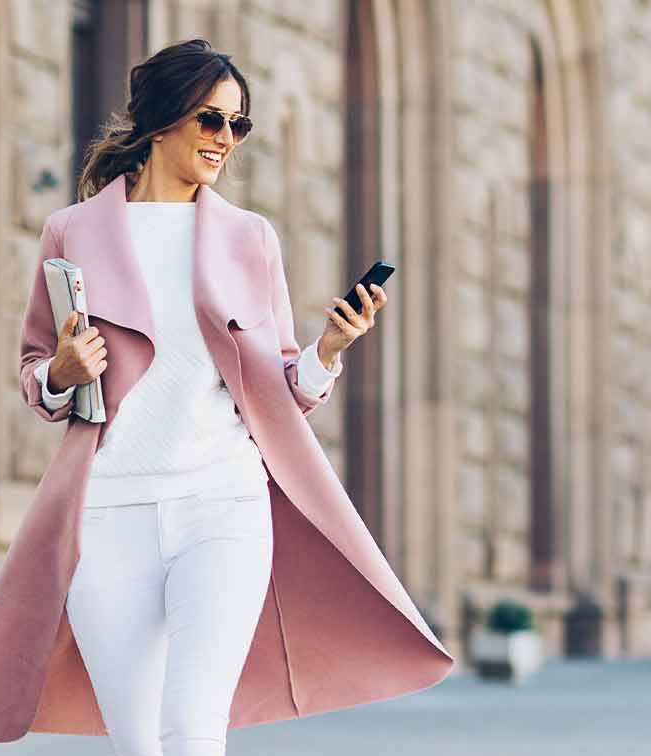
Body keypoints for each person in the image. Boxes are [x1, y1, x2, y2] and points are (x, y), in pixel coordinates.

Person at [30, 38, 386, 756]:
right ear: (163, 121)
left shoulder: (250, 239)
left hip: (222, 505)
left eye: (238, 125)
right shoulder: (73, 231)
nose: (227, 140)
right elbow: (36, 370)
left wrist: (328, 353)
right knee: (137, 742)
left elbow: (285, 387)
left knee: (194, 730)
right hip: (110, 512)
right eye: (211, 121)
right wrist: (63, 372)